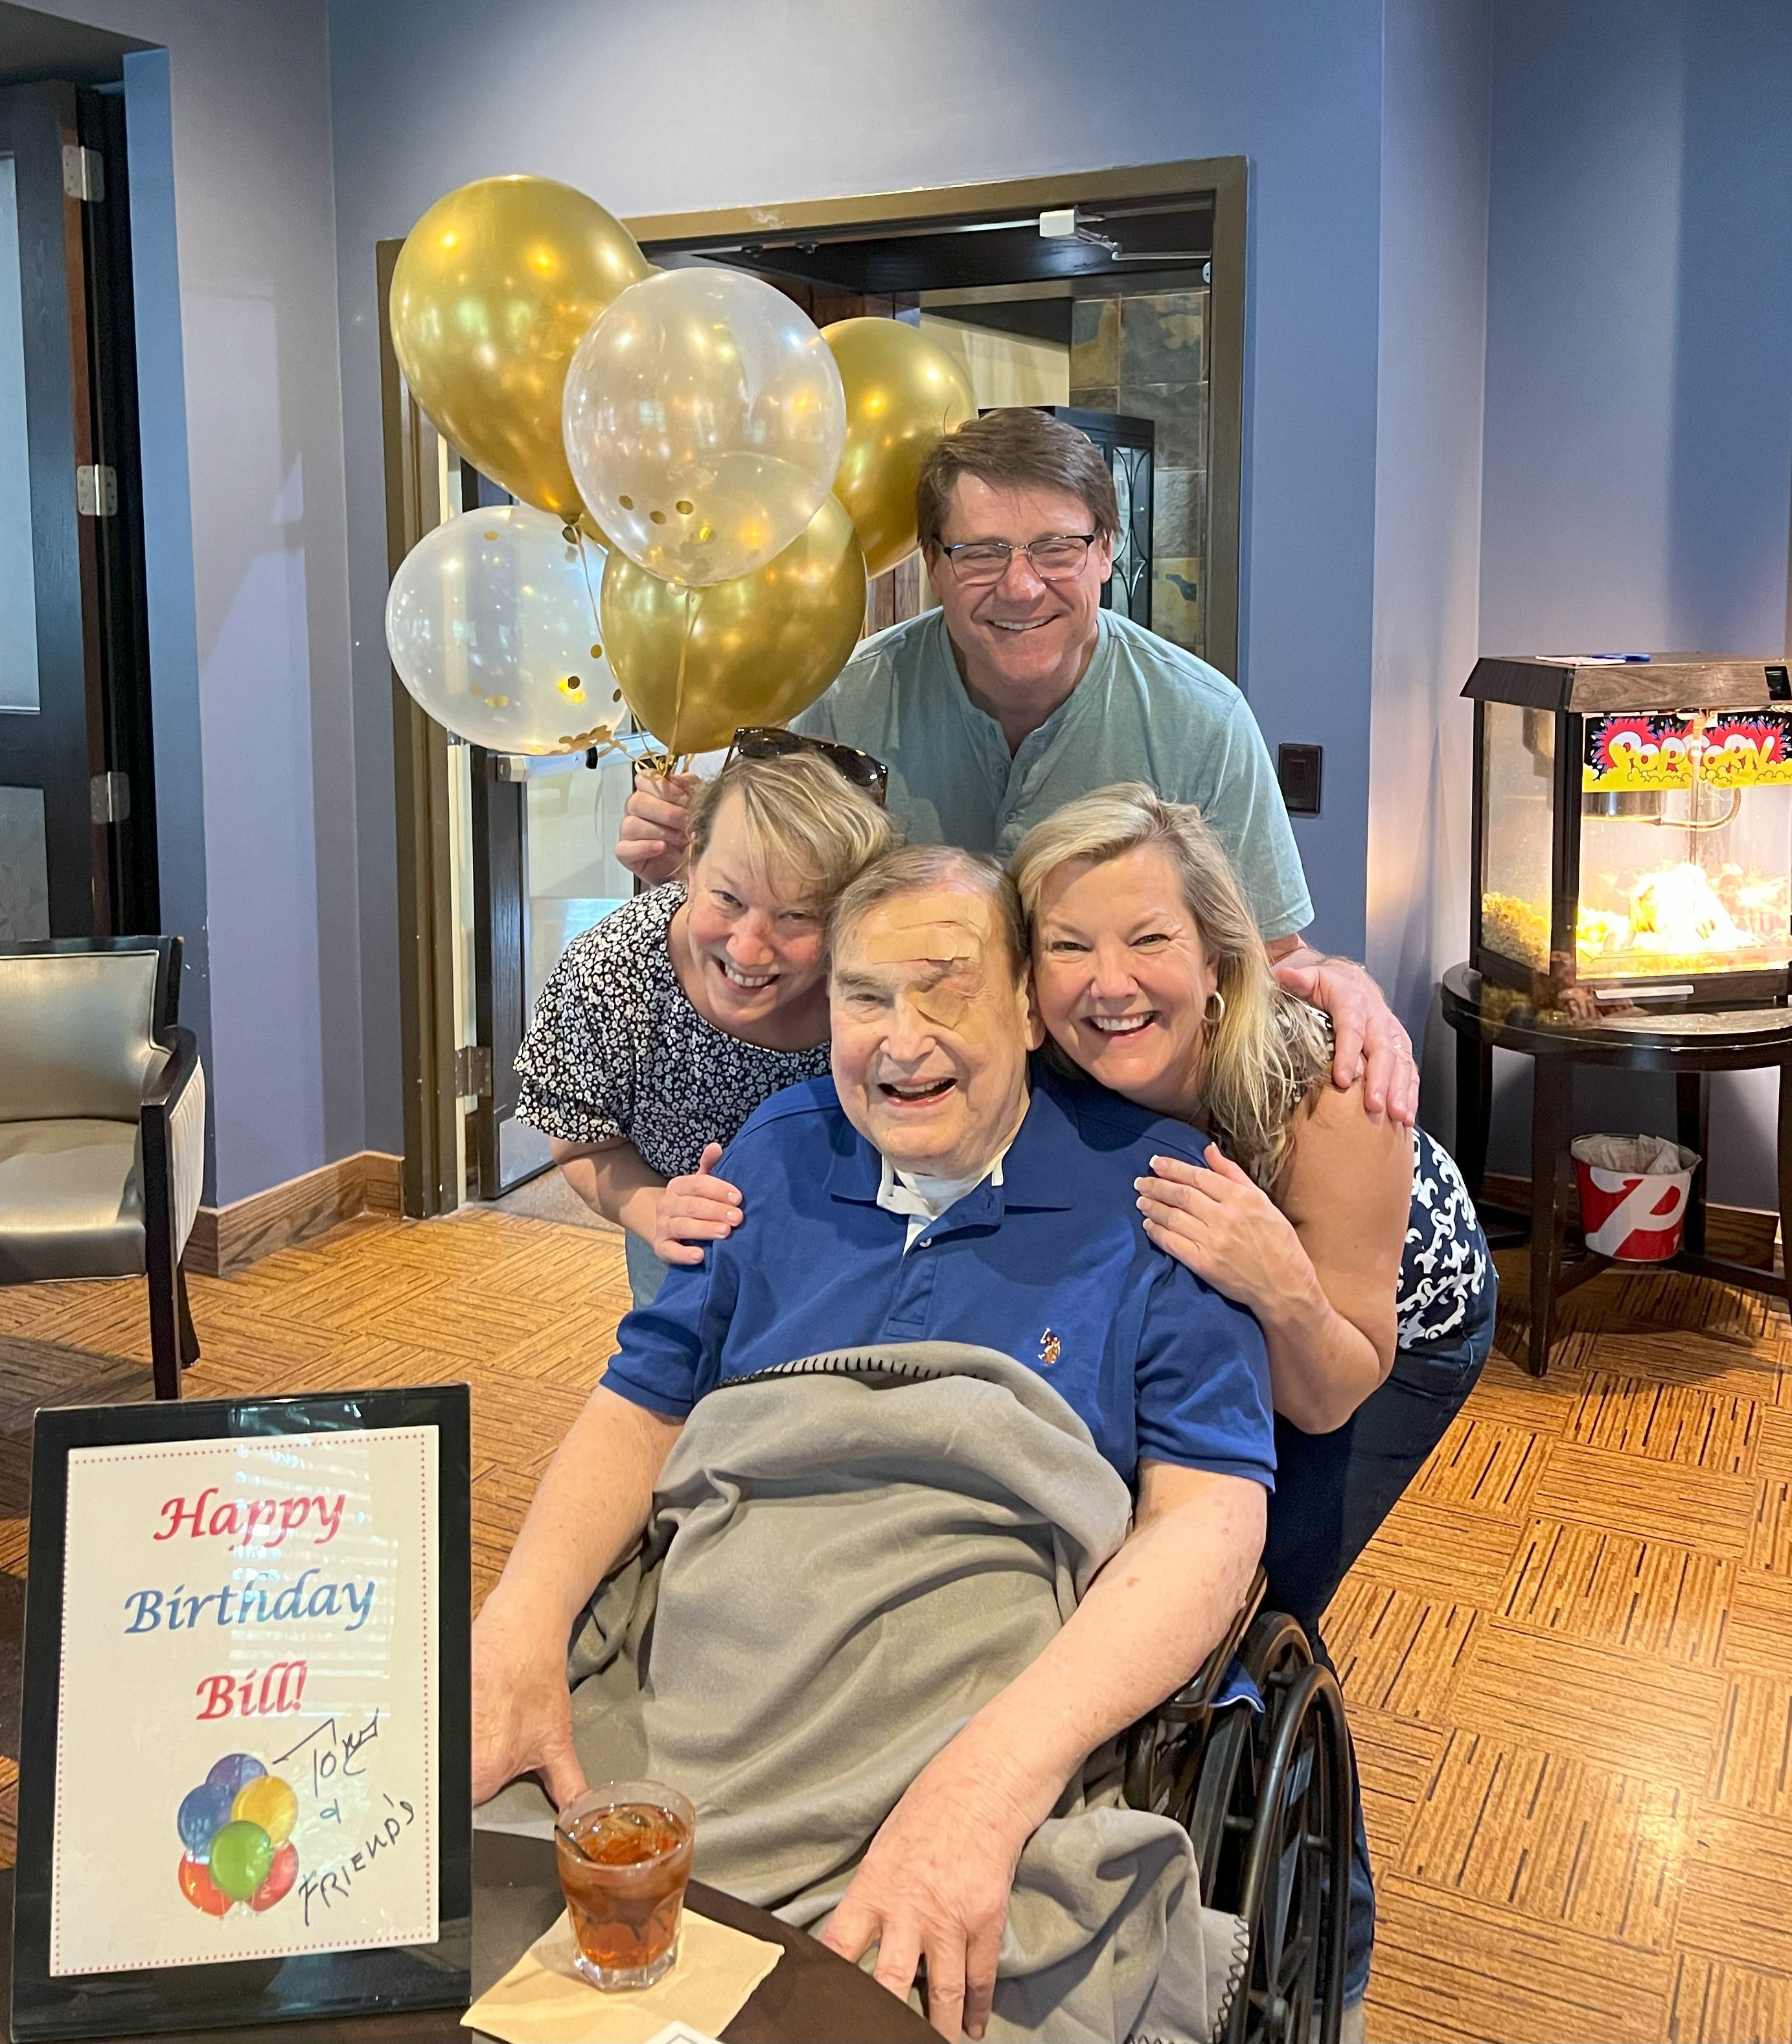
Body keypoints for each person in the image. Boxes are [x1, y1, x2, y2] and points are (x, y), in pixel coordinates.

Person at [474, 845, 1273, 2043]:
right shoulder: (774, 1155)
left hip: (959, 1711)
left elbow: (1209, 1515)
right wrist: (522, 1622)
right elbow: (640, 1403)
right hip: (703, 1696)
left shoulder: (1156, 1193)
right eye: (865, 997)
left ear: (1027, 1008)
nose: (902, 1042)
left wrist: (992, 1784)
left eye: (946, 990)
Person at [1011, 783, 1495, 2025]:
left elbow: (1332, 1385)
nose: (1106, 981)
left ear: (1217, 956)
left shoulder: (1321, 1085)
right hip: (1206, 1307)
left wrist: (1275, 1279)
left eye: (1147, 938)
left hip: (1379, 1332)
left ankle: (1324, 1955)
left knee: (1253, 1610)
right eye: (1066, 944)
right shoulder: (1043, 1057)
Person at [617, 406, 1419, 1125]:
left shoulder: (1203, 721)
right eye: (981, 553)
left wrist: (1340, 979)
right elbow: (778, 910)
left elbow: (1268, 957)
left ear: (1108, 552)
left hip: (1119, 1114)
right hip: (903, 1099)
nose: (1022, 586)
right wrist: (685, 867)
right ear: (933, 564)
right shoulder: (846, 700)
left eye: (1057, 549)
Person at [513, 748, 897, 1305]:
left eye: (797, 915)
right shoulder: (612, 974)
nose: (748, 949)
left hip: (853, 1267)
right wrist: (656, 1209)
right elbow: (583, 1146)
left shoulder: (879, 984)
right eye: (727, 898)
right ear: (692, 861)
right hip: (686, 1268)